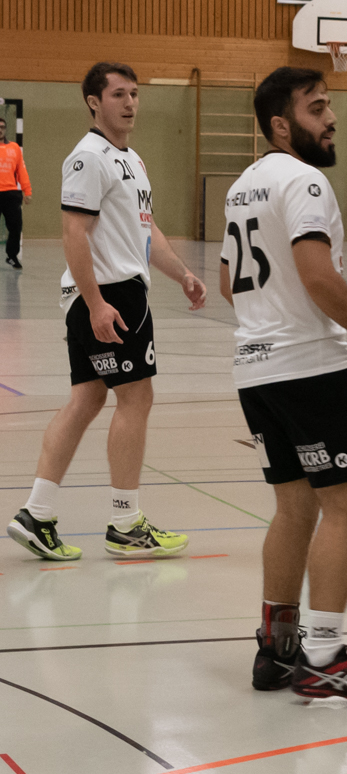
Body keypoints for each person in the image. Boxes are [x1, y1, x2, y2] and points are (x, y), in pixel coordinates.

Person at [218, 67, 347, 702]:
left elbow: (228, 283)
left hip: (256, 372)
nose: (331, 118)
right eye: (316, 108)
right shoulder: (305, 181)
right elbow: (318, 274)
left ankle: (277, 648)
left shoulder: (242, 187)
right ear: (281, 125)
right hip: (311, 370)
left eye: (328, 106)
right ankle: (324, 655)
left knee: (294, 506)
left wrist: (269, 315)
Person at [6, 63, 202, 562]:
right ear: (94, 102)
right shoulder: (88, 157)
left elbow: (145, 230)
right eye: (118, 94)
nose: (130, 102)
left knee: (86, 400)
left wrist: (182, 273)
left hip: (111, 292)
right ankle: (126, 523)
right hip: (111, 295)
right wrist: (96, 304)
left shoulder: (130, 159)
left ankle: (36, 514)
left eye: (134, 93)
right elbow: (74, 233)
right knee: (137, 399)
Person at [0, 116, 32, 269]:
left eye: (2, 127)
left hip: (11, 194)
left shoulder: (14, 148)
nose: (0, 130)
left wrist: (27, 191)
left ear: (5, 129)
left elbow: (21, 171)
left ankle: (12, 256)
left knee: (15, 227)